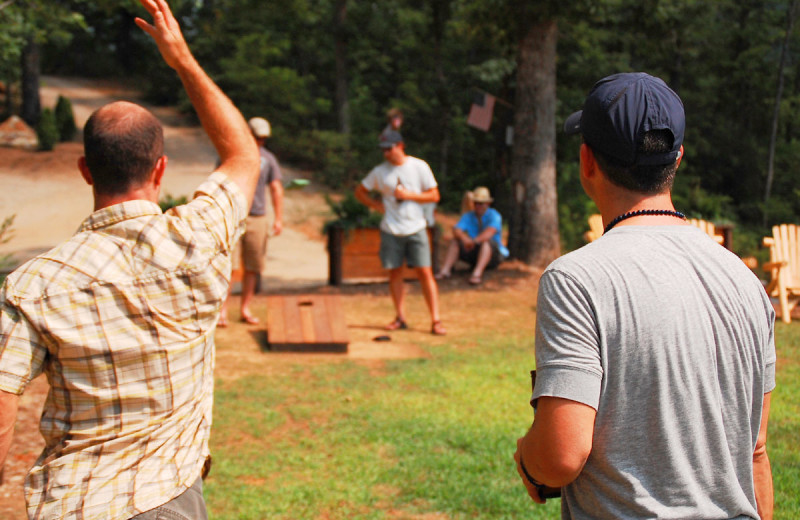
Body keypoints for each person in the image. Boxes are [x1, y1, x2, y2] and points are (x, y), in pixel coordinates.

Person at [0, 0, 260, 518]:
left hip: (69, 505)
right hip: (168, 501)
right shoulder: (199, 237)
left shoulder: (33, 285)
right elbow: (242, 155)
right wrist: (182, 59)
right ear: (160, 168)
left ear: (85, 170)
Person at [514, 72, 775, 519]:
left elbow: (560, 456)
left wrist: (527, 459)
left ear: (587, 162)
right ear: (678, 159)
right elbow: (756, 451)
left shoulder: (576, 279)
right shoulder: (746, 280)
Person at [355, 128, 446, 335]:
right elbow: (360, 191)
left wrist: (409, 195)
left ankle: (436, 320)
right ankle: (400, 317)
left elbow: (434, 195)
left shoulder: (418, 166)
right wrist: (376, 206)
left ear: (401, 146)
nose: (386, 153)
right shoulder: (380, 171)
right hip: (391, 229)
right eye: (383, 150)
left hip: (416, 227)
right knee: (395, 272)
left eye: (389, 148)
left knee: (425, 272)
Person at [219, 116, 284, 326]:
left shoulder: (268, 159)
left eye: (264, 139)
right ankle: (222, 312)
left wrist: (279, 218)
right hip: (233, 217)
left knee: (253, 267)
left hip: (258, 217)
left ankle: (245, 309)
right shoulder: (230, 154)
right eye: (258, 138)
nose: (260, 142)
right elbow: (217, 183)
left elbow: (276, 188)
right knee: (227, 267)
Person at [434, 186, 509, 285]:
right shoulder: (468, 215)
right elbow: (456, 229)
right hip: (473, 250)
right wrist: (465, 239)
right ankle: (445, 270)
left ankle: (477, 274)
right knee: (455, 241)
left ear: (488, 203)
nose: (478, 206)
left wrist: (474, 241)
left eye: (480, 203)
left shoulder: (494, 215)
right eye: (476, 203)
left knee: (486, 242)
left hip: (493, 254)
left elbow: (490, 232)